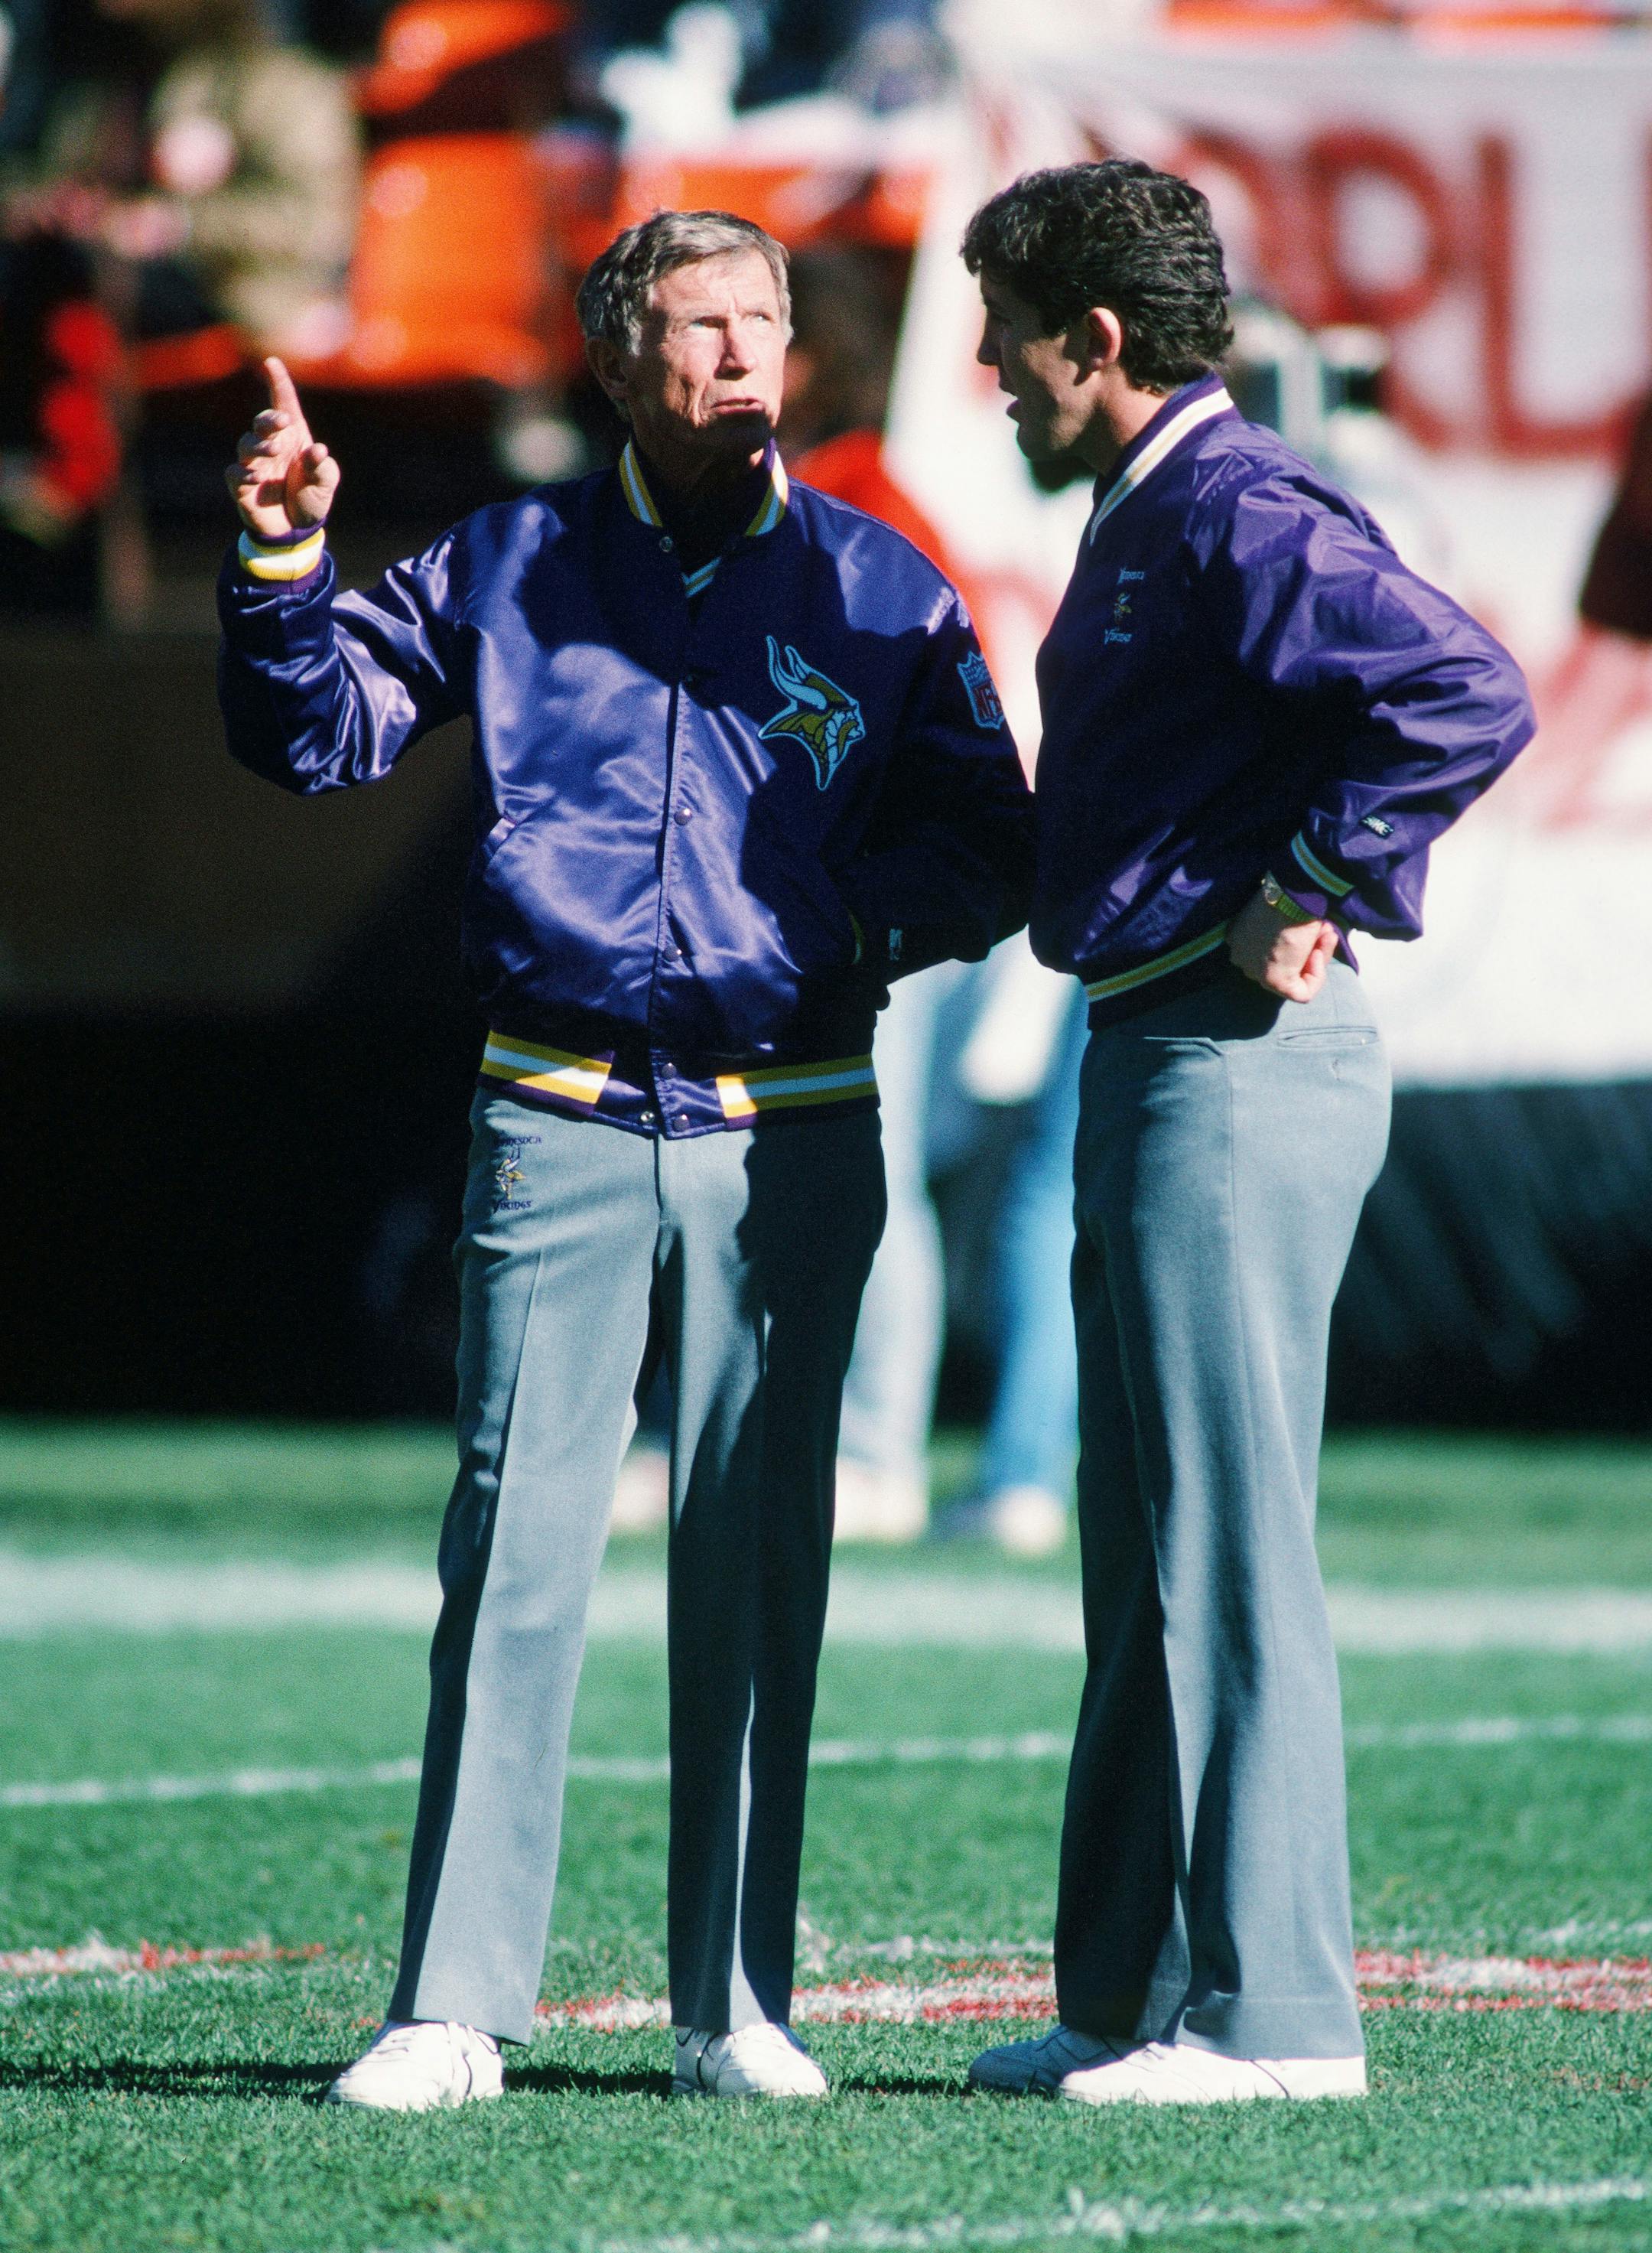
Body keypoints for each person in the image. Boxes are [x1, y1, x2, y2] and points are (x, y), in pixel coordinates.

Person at [216, 207, 1031, 2108]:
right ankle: (450, 2006)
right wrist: (278, 559)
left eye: (764, 319)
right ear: (618, 360)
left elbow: (989, 846)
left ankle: (734, 2005)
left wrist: (837, 930)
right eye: (701, 321)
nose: (745, 351)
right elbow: (318, 734)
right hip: (555, 1103)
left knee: (760, 1559)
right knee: (512, 1549)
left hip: (790, 1124)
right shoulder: (507, 561)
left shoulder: (884, 587)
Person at [959, 161, 1533, 2107]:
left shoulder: (1230, 502)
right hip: (1153, 1049)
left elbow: (1461, 690)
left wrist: (1314, 875)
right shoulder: (1157, 507)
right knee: (1142, 1548)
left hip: (1237, 1061)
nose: (989, 371)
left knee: (1222, 1544)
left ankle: (1276, 2020)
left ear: (1096, 338)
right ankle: (1130, 1997)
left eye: (1009, 336)